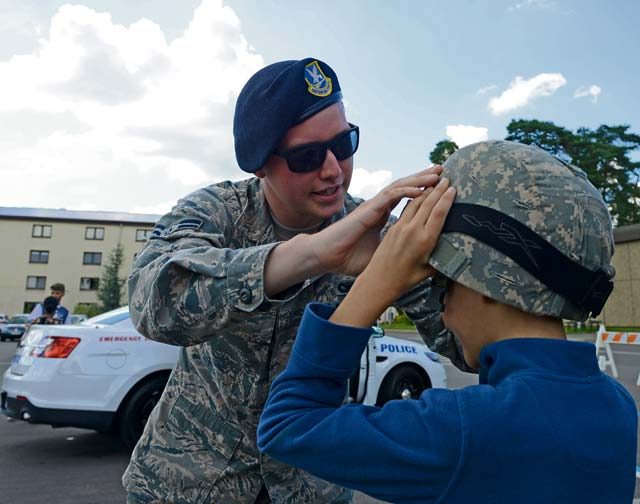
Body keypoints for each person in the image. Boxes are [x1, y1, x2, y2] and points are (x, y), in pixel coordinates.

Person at [123, 58, 468, 504]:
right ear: (259, 163)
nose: (332, 169)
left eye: (343, 144)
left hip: (310, 486)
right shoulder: (219, 211)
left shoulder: (377, 231)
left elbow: (464, 344)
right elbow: (153, 303)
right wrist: (313, 254)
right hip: (189, 482)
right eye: (306, 156)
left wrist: (457, 256)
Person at [257, 140, 638, 503]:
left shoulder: (466, 430)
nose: (442, 309)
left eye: (443, 284)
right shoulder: (617, 406)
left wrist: (377, 281)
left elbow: (286, 424)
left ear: (490, 282)